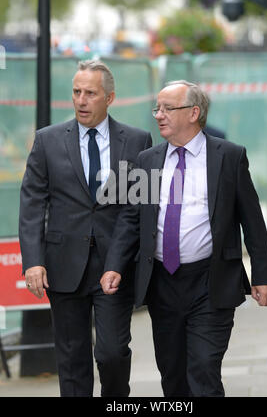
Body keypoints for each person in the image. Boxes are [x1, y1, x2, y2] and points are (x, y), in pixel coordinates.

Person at [101, 80, 267, 397]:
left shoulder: (229, 157)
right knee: (173, 375)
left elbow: (252, 219)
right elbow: (130, 217)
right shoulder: (148, 160)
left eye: (168, 108)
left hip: (211, 281)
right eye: (157, 108)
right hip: (162, 283)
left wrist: (263, 275)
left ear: (194, 112)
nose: (159, 115)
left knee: (203, 370)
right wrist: (114, 265)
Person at [19, 60, 152, 397]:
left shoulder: (137, 141)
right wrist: (33, 261)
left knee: (111, 353)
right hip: (63, 265)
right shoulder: (47, 141)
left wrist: (123, 262)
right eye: (77, 92)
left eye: (90, 93)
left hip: (115, 265)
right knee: (72, 359)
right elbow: (33, 203)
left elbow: (137, 208)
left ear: (109, 98)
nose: (81, 100)